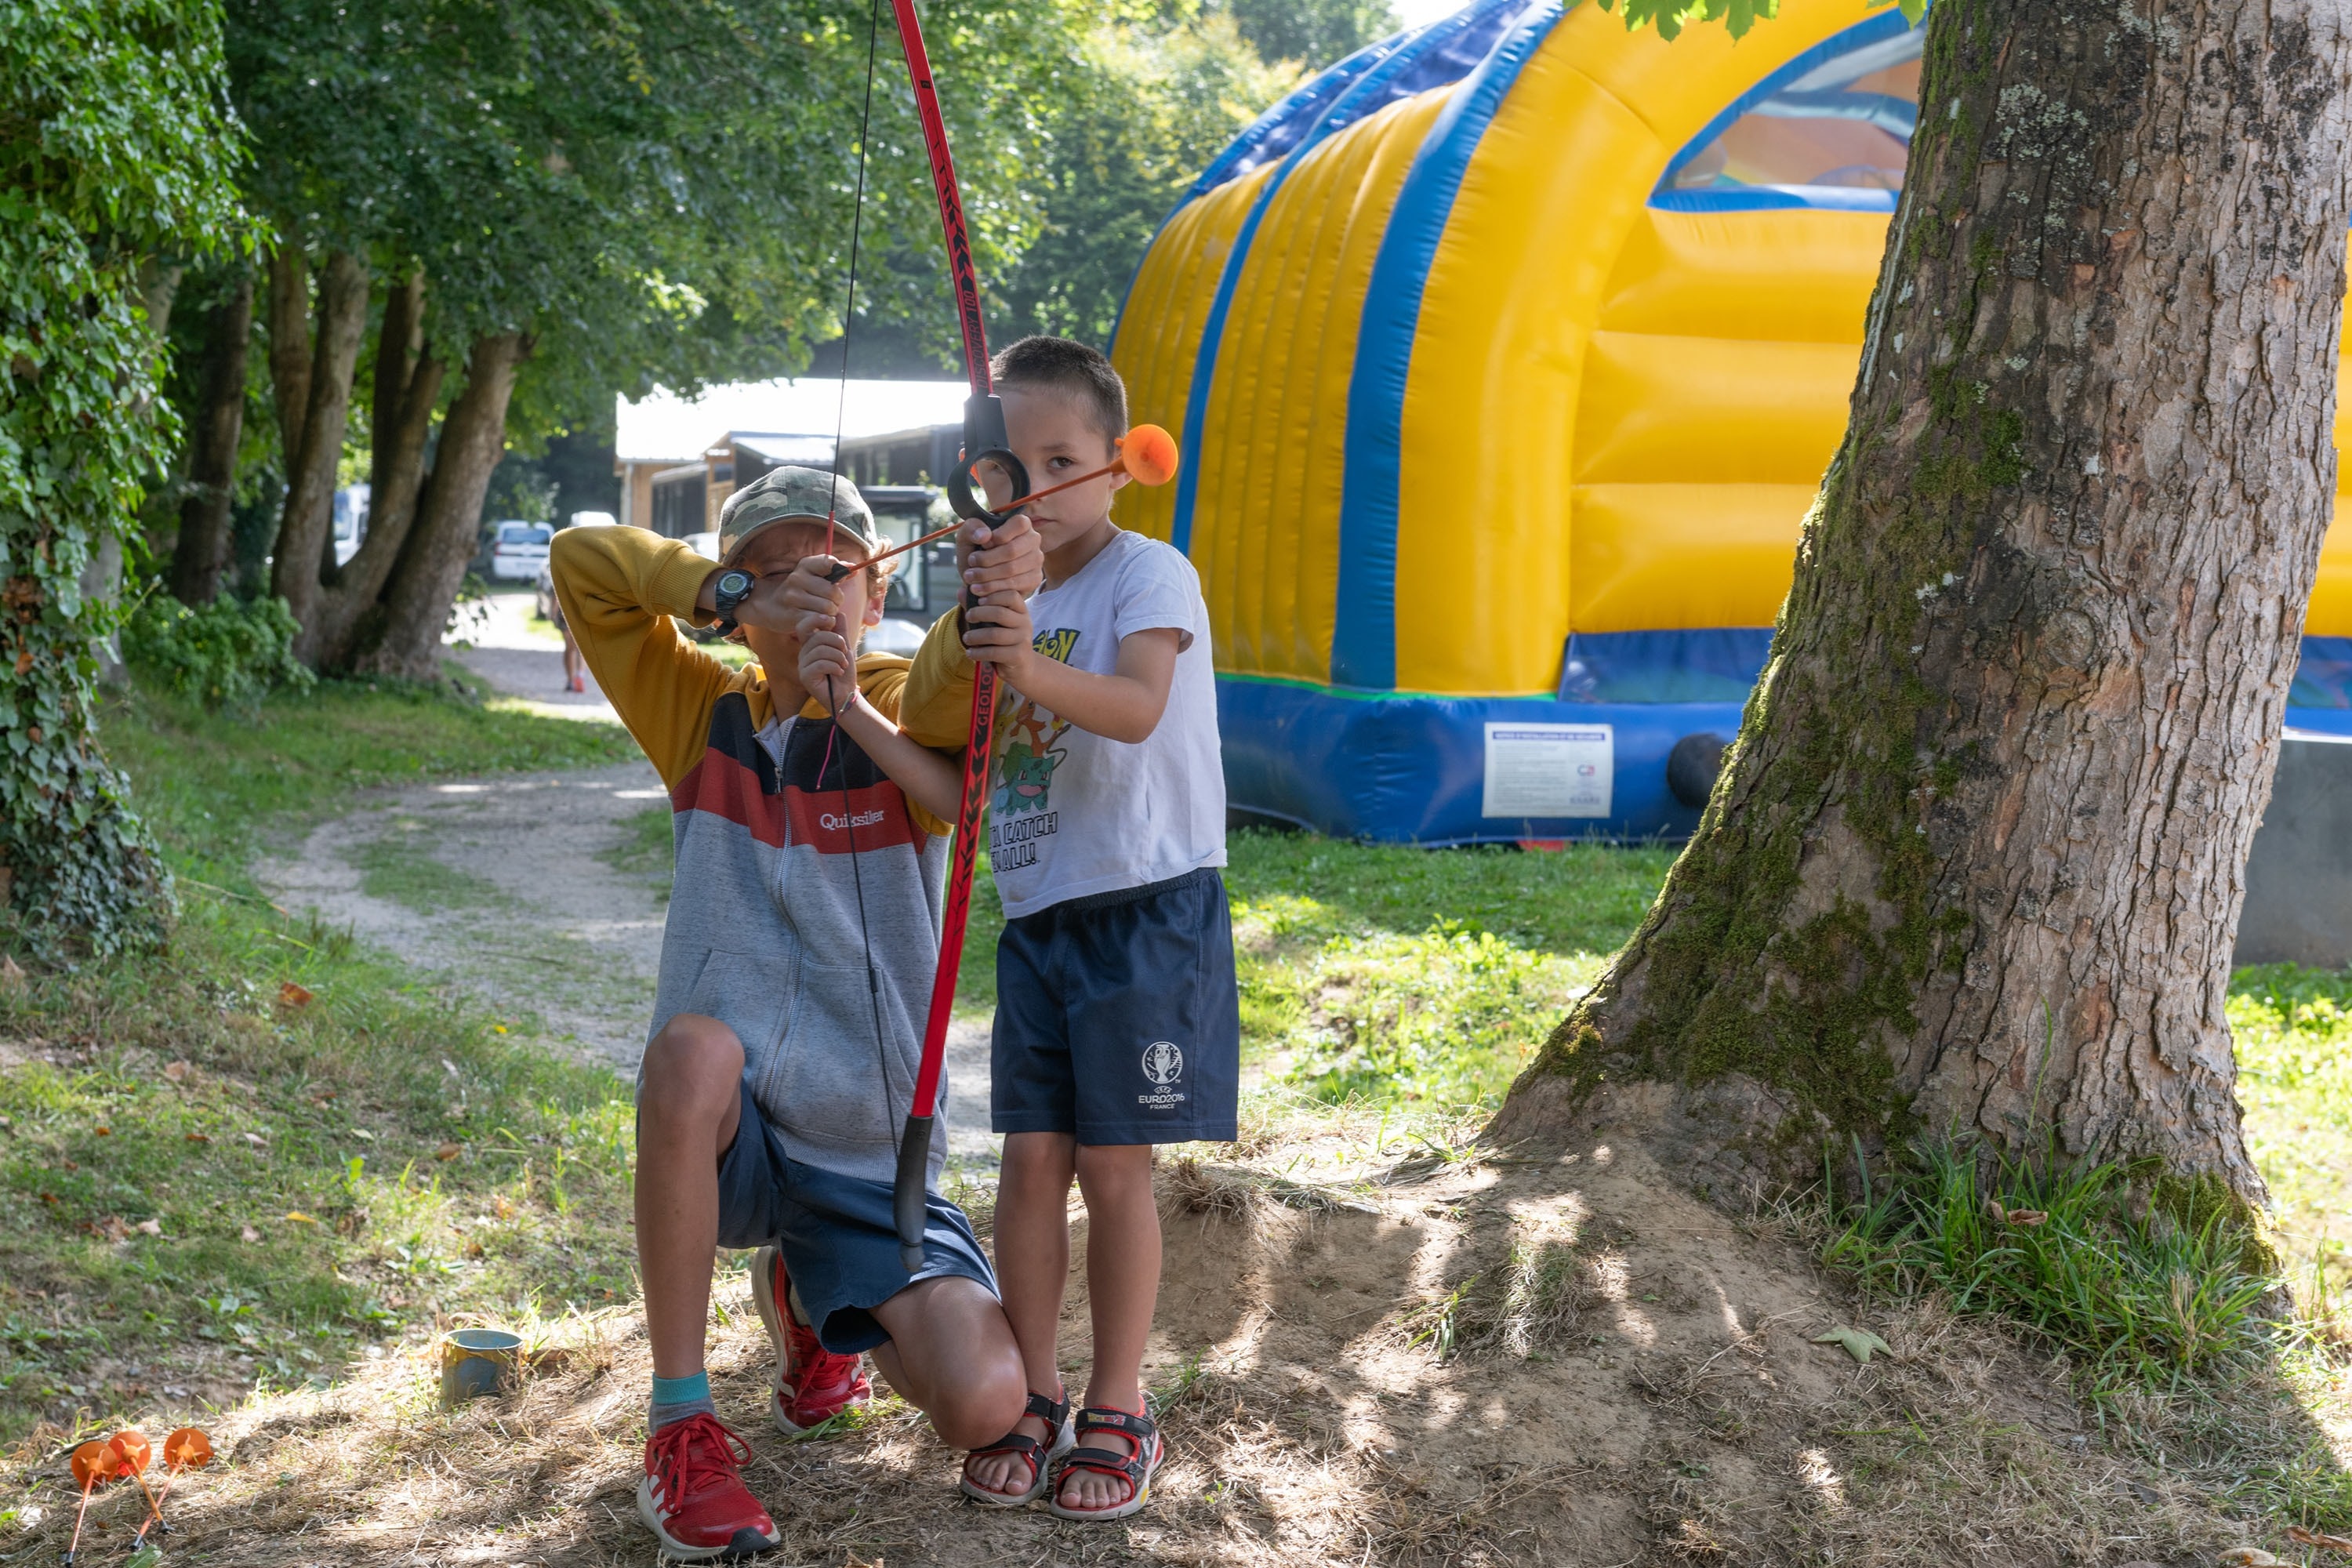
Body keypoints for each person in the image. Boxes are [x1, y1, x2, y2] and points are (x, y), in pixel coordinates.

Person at [550, 468, 1042, 1561]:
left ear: (876, 593)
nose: (810, 593)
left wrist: (993, 579)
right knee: (688, 1052)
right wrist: (725, 593)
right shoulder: (699, 711)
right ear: (733, 603)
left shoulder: (903, 698)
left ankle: (814, 1305)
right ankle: (681, 1427)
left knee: (982, 1401)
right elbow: (583, 562)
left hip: (875, 1164)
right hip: (738, 1138)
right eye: (775, 574)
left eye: (837, 571)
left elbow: (964, 679)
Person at [925, 336, 1239, 1522]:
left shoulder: (1148, 574)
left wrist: (1020, 659)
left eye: (1065, 460)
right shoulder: (1005, 601)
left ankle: (1120, 1403)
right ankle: (1035, 1395)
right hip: (1043, 918)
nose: (1038, 488)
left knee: (1115, 1166)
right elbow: (964, 759)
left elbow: (1138, 705)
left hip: (1147, 911)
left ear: (1122, 465)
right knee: (1029, 1164)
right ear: (981, 483)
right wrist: (958, 643)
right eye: (1010, 467)